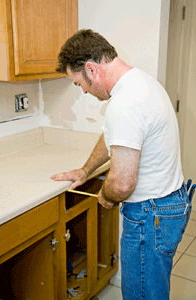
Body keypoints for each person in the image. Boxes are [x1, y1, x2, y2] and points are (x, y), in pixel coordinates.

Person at [51, 29, 192, 300]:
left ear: (91, 69)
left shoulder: (125, 103)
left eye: (79, 83)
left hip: (151, 217)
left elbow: (123, 183)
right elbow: (113, 136)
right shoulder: (141, 82)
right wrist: (86, 170)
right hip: (169, 204)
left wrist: (105, 194)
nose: (83, 91)